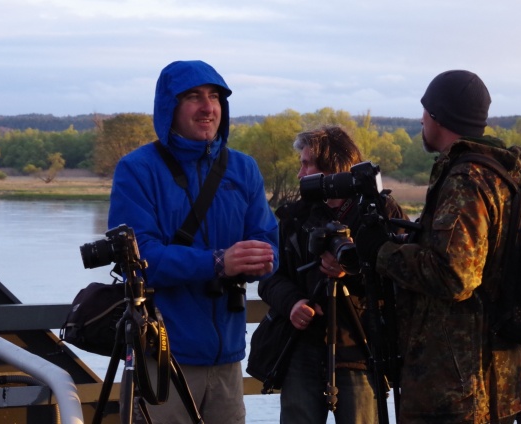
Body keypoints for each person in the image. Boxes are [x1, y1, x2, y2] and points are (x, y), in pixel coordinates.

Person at [355, 70, 521, 423]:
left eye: (425, 110)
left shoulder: (466, 179)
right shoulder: (498, 174)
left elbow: (455, 275)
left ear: (439, 117)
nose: (421, 118)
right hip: (492, 376)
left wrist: (382, 250)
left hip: (458, 385)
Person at [108, 60, 279, 424]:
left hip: (229, 360)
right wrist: (218, 263)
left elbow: (268, 239)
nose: (208, 107)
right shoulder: (138, 169)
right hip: (163, 358)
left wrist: (264, 259)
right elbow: (137, 260)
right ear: (169, 107)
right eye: (193, 97)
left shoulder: (243, 168)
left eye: (215, 96)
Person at [258, 125, 407, 424]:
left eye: (306, 164)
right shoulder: (296, 216)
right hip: (302, 346)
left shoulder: (381, 212)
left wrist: (353, 270)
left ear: (333, 166)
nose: (300, 175)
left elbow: (404, 278)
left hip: (362, 350)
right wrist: (294, 304)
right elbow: (270, 276)